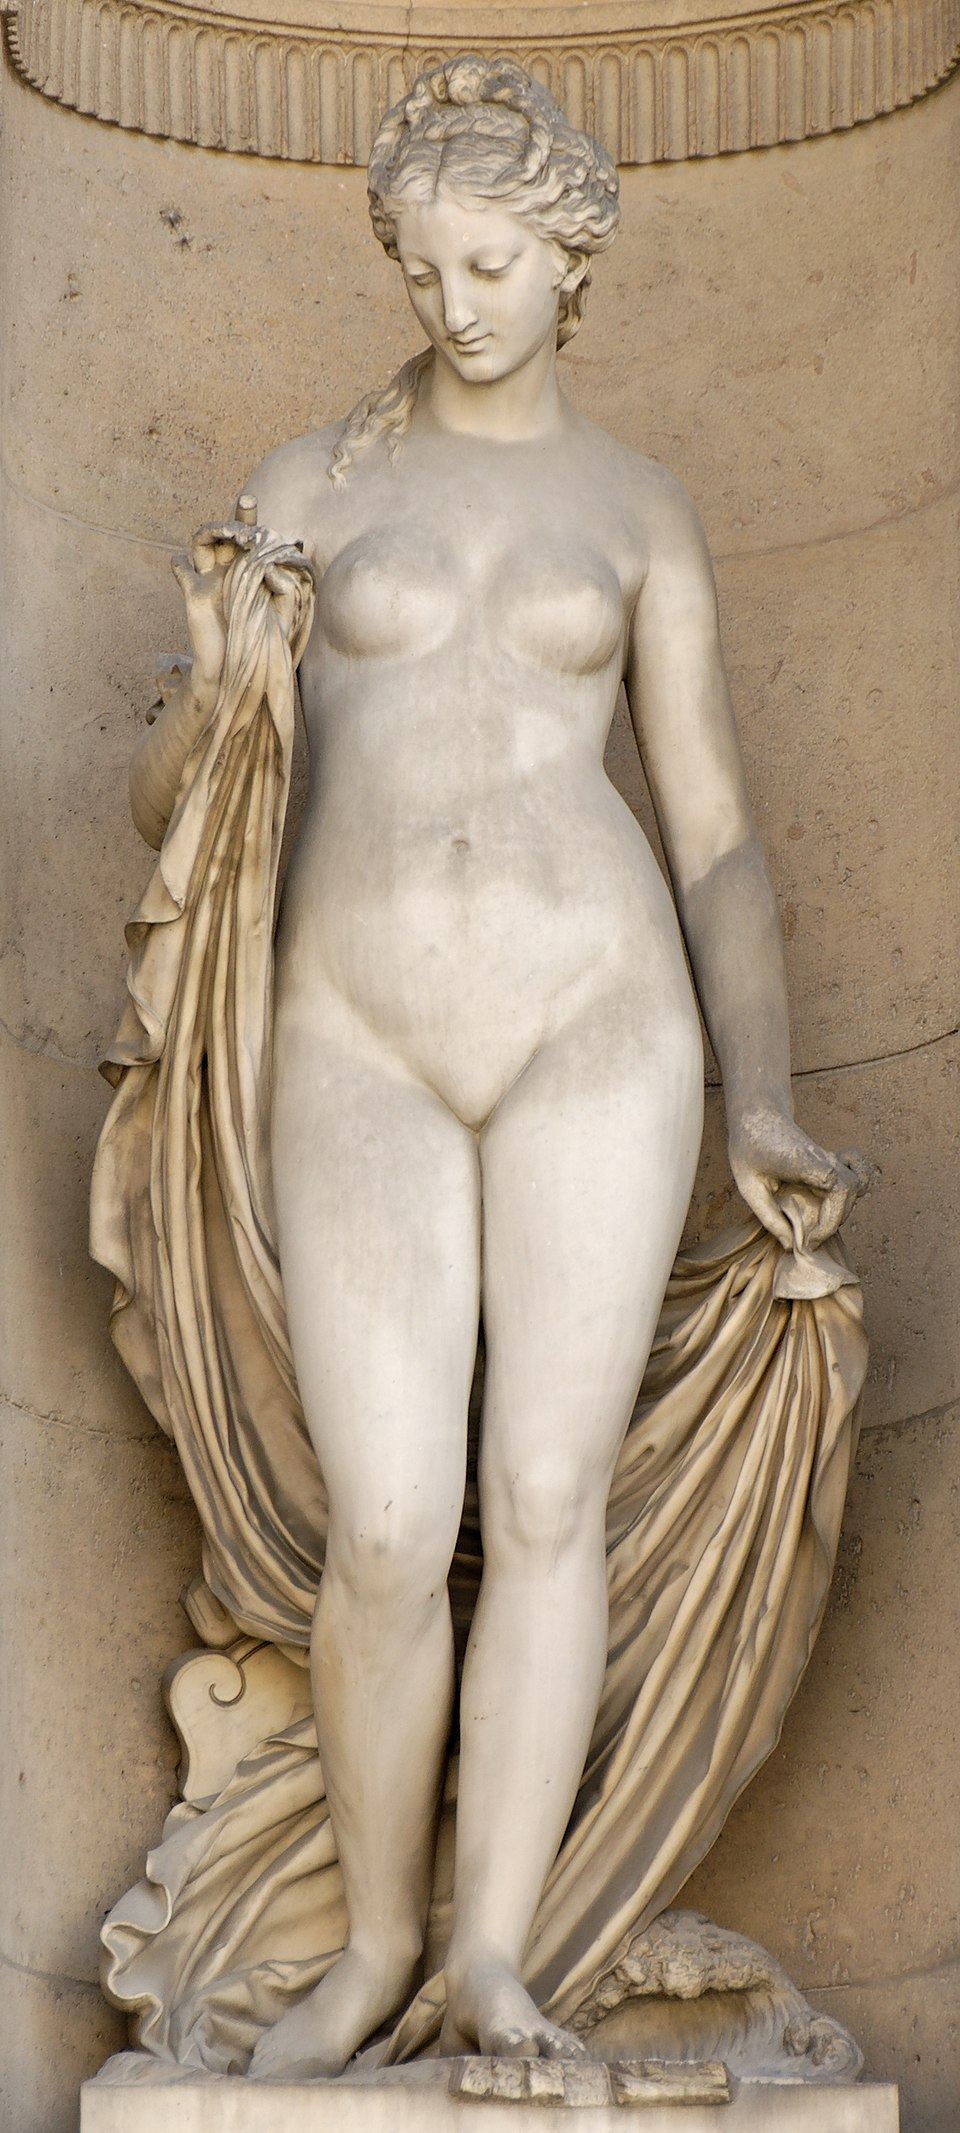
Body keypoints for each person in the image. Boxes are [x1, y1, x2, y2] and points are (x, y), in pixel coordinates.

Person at [119, 55, 865, 2083]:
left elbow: (715, 835)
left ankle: (501, 1958)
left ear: (572, 259)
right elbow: (184, 809)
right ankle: (372, 1949)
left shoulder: (634, 507)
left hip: (595, 1018)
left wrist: (762, 1091)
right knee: (386, 1521)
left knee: (545, 1494)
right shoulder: (308, 484)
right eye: (427, 268)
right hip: (354, 1022)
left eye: (495, 266)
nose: (457, 305)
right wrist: (219, 686)